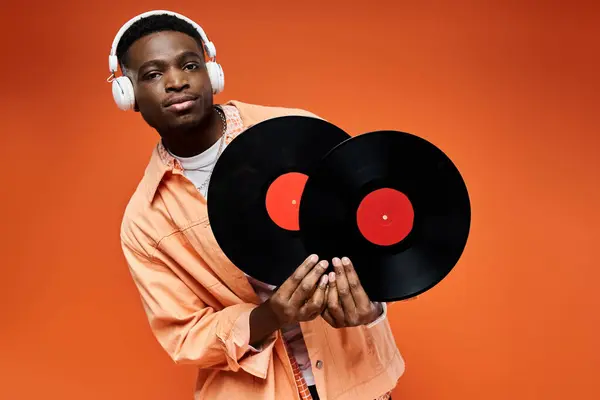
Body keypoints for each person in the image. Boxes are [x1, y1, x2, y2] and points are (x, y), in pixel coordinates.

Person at [113, 10, 405, 400]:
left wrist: (374, 305)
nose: (176, 81)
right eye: (152, 74)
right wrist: (271, 317)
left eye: (189, 65)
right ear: (127, 94)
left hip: (359, 383)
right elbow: (184, 337)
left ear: (211, 73)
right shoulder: (144, 221)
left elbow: (371, 235)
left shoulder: (300, 132)